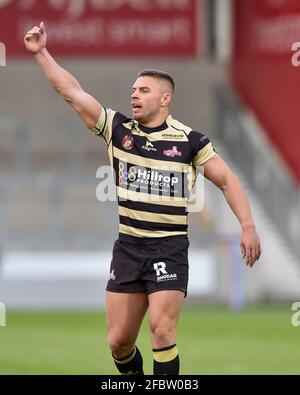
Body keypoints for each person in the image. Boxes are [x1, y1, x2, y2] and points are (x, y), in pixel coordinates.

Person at [24, 22, 261, 375]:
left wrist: (248, 226)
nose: (134, 95)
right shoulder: (117, 131)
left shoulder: (190, 141)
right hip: (129, 248)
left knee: (162, 332)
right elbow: (72, 92)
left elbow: (227, 181)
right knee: (119, 342)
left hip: (169, 248)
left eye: (144, 90)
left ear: (165, 99)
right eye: (133, 89)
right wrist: (41, 53)